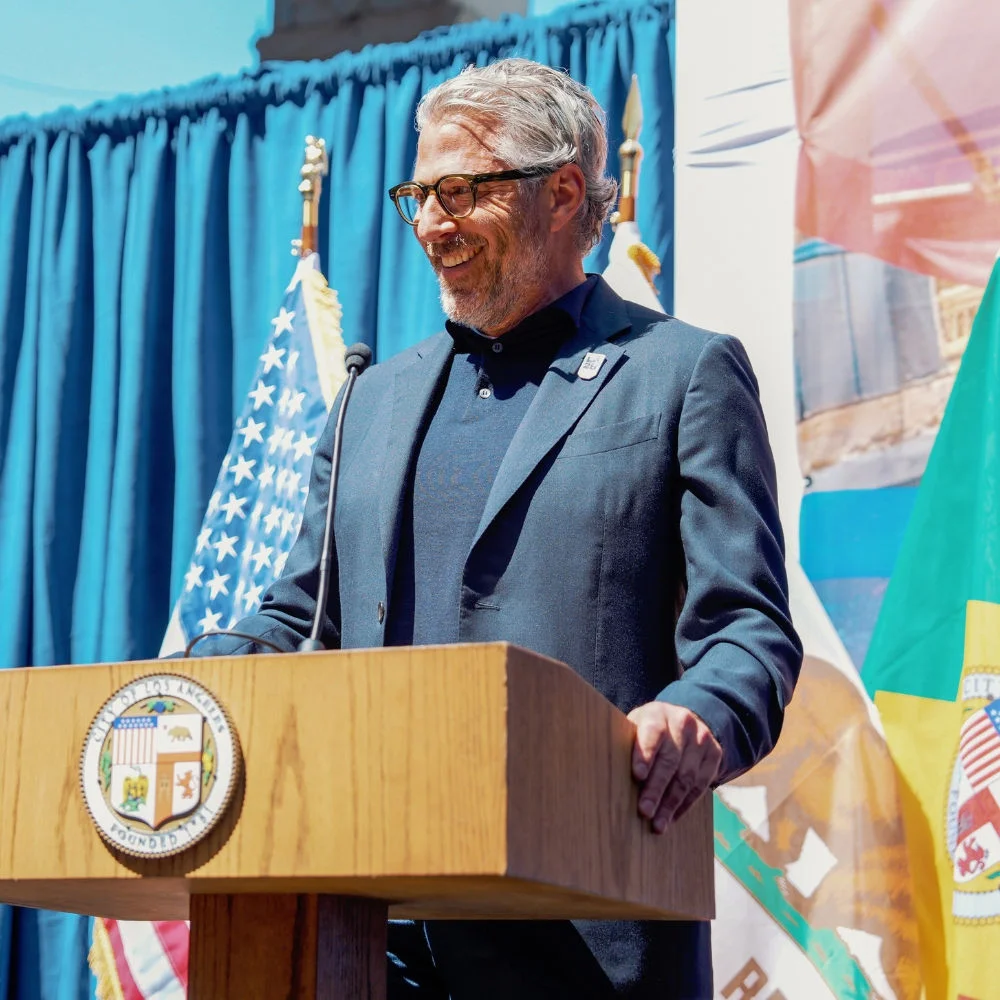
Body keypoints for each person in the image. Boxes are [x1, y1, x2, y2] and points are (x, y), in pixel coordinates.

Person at [194, 58, 802, 999]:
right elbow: (302, 618)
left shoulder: (681, 374)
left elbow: (748, 632)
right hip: (364, 929)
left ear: (563, 193)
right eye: (419, 195)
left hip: (589, 933)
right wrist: (203, 669)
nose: (431, 223)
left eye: (460, 191)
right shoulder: (371, 398)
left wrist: (702, 717)